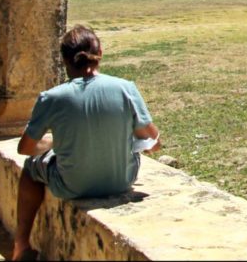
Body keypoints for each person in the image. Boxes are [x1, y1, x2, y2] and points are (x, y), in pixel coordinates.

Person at [12, 25, 160, 261]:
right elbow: (153, 140)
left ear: (63, 60)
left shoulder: (52, 97)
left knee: (32, 168)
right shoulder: (125, 89)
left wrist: (53, 142)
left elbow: (26, 149)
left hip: (72, 185)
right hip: (122, 180)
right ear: (100, 52)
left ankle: (21, 246)